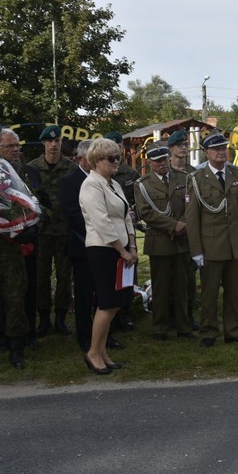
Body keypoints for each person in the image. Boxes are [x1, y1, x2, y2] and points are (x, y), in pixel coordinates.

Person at [185, 133, 238, 347]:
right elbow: (192, 217)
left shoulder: (235, 173)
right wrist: (196, 250)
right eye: (216, 149)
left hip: (235, 243)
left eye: (224, 148)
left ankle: (233, 331)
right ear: (206, 153)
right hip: (211, 245)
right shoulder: (196, 179)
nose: (221, 152)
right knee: (209, 292)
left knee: (233, 291)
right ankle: (208, 332)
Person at [78, 138, 136, 374]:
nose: (117, 162)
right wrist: (121, 250)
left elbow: (126, 216)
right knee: (107, 303)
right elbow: (101, 222)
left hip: (120, 249)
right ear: (96, 161)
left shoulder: (113, 184)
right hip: (103, 249)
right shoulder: (91, 185)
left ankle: (101, 352)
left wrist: (132, 246)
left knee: (114, 304)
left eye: (118, 157)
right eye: (111, 158)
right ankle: (93, 352)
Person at [0, 119, 32, 369]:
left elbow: (24, 198)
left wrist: (25, 225)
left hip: (9, 241)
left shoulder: (11, 168)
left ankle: (16, 347)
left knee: (14, 291)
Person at [134, 144, 194, 340]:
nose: (163, 164)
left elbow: (191, 203)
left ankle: (184, 327)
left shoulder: (183, 177)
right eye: (158, 161)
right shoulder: (142, 184)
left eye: (165, 160)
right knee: (160, 287)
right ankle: (160, 328)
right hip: (159, 241)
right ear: (150, 163)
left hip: (182, 240)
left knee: (182, 286)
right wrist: (172, 225)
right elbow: (146, 213)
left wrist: (182, 224)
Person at [27, 124, 76, 336]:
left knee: (65, 276)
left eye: (57, 141)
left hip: (65, 231)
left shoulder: (71, 168)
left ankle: (61, 319)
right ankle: (44, 318)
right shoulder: (31, 168)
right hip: (42, 232)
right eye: (49, 141)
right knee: (41, 276)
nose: (54, 145)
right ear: (44, 143)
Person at [0, 128, 45, 349]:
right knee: (3, 290)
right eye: (10, 146)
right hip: (2, 242)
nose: (16, 150)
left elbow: (44, 202)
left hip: (29, 240)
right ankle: (2, 334)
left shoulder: (30, 172)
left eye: (17, 145)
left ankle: (29, 333)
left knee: (30, 286)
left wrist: (36, 225)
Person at [58, 139, 96, 351]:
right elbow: (73, 216)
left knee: (103, 293)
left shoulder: (105, 179)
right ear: (81, 159)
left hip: (106, 245)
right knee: (83, 293)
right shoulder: (68, 182)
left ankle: (104, 335)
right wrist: (99, 231)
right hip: (83, 245)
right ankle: (85, 335)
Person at [106, 130, 140, 331]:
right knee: (109, 275)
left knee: (128, 275)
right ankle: (110, 313)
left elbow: (137, 203)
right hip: (107, 234)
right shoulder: (100, 173)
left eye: (117, 145)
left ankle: (126, 313)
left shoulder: (130, 174)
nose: (115, 148)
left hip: (127, 233)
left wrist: (136, 214)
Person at [167, 129, 198, 328]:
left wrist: (186, 222)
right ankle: (170, 316)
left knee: (189, 275)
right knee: (168, 276)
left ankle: (188, 314)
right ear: (171, 148)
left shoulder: (193, 172)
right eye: (180, 145)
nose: (184, 148)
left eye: (186, 145)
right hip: (168, 231)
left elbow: (196, 201)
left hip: (189, 230)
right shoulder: (164, 170)